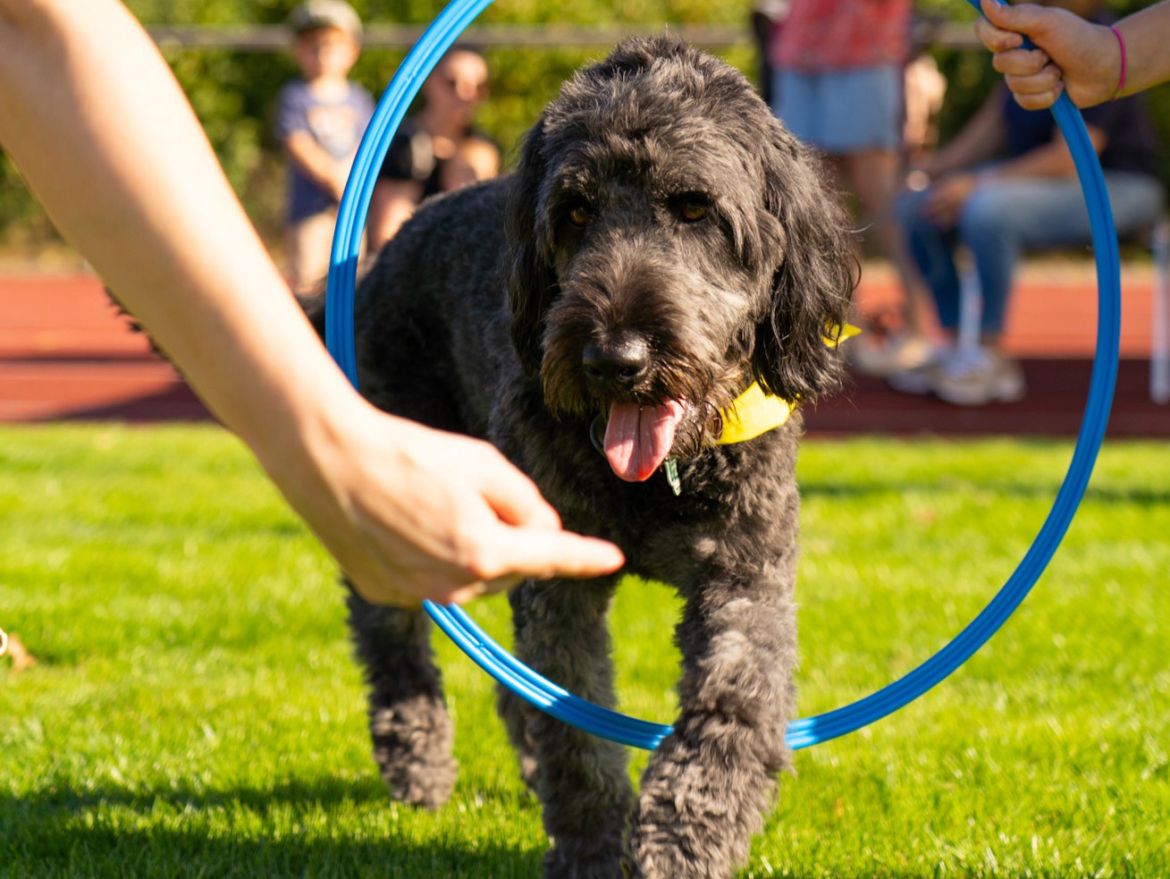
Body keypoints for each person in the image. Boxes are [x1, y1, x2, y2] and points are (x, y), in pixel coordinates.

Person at [0, 0, 624, 607]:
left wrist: (322, 438)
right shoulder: (371, 133)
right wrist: (327, 438)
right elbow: (34, 35)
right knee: (328, 288)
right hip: (350, 240)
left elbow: (35, 34)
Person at [889, 0, 1163, 406]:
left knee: (988, 211)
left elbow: (1069, 159)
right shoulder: (1031, 39)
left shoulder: (1098, 36)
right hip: (1044, 181)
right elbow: (995, 123)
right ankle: (953, 341)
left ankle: (990, 350)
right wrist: (933, 170)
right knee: (917, 207)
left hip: (1121, 184)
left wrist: (975, 182)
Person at [769, 0, 936, 379]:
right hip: (800, 48)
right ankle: (844, 327)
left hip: (865, 46)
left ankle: (921, 327)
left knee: (879, 194)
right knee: (821, 203)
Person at [275, 0, 373, 294]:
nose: (322, 53)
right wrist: (335, 179)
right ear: (298, 50)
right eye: (312, 45)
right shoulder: (296, 97)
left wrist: (351, 182)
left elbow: (367, 146)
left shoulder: (359, 99)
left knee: (352, 282)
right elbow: (298, 145)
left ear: (351, 51)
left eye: (331, 45)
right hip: (310, 212)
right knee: (308, 280)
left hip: (352, 209)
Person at [367, 47, 501, 250]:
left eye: (478, 86)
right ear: (428, 81)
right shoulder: (405, 145)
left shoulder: (484, 146)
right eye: (451, 83)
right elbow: (386, 238)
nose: (466, 94)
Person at [976, 0, 1170, 110]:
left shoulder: (1097, 23)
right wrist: (948, 164)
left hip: (1121, 176)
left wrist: (981, 180)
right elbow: (997, 117)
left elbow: (1066, 157)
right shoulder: (1031, 40)